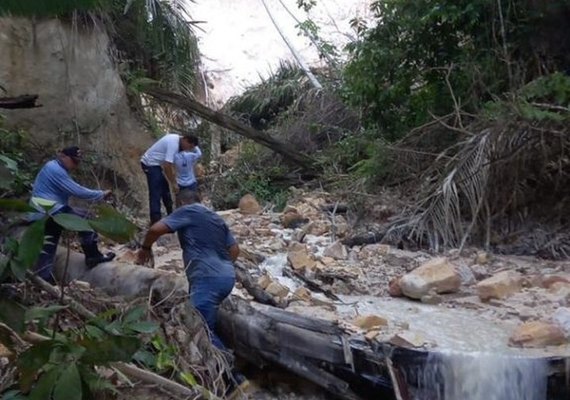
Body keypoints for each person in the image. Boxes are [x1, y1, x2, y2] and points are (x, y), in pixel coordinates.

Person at [135, 189, 239, 350]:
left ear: (181, 203)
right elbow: (234, 249)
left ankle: (229, 371)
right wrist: (223, 268)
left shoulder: (188, 210)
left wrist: (145, 248)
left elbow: (155, 229)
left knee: (200, 330)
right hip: (227, 277)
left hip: (207, 278)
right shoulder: (216, 217)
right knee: (206, 320)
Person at [30, 146, 116, 283]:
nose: (76, 165)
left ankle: (43, 279)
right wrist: (101, 194)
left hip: (43, 212)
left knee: (49, 245)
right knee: (85, 217)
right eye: (74, 161)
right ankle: (92, 256)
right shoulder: (55, 169)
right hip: (49, 210)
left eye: (78, 162)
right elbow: (78, 191)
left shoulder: (55, 168)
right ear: (63, 156)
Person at [140, 133, 196, 224]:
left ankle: (171, 215)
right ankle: (155, 221)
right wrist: (174, 183)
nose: (188, 149)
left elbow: (172, 165)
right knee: (156, 192)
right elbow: (167, 166)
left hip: (156, 165)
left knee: (165, 189)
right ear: (185, 140)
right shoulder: (174, 143)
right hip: (149, 164)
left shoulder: (177, 142)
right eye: (189, 146)